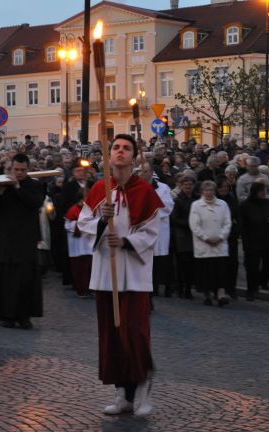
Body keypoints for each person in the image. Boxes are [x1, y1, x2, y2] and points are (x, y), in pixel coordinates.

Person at [77, 134, 163, 417]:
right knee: (112, 336)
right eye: (116, 148)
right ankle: (121, 394)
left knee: (134, 334)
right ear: (108, 155)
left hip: (134, 275)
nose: (120, 152)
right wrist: (102, 220)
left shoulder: (145, 191)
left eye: (126, 148)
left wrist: (126, 241)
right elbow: (83, 222)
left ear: (135, 157)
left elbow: (151, 232)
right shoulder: (101, 188)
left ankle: (141, 387)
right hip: (106, 274)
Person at [0, 153, 44, 329]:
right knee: (7, 280)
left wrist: (18, 187)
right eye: (16, 170)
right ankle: (8, 315)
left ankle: (24, 316)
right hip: (6, 241)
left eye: (22, 170)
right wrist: (0, 192)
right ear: (10, 169)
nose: (19, 173)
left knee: (26, 281)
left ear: (28, 170)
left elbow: (35, 203)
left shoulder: (35, 185)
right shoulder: (1, 186)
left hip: (26, 241)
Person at [189, 180, 232, 307]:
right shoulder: (196, 205)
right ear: (202, 192)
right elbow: (194, 225)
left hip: (220, 244)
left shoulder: (223, 204)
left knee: (221, 271)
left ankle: (221, 294)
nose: (209, 192)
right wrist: (205, 238)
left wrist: (221, 237)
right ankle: (206, 294)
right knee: (206, 271)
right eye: (206, 190)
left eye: (211, 190)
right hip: (203, 244)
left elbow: (227, 223)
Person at [239, 181, 269, 301]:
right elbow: (242, 225)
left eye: (265, 190)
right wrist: (245, 242)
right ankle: (251, 290)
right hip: (251, 241)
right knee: (252, 267)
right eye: (261, 190)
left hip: (267, 239)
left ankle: (263, 281)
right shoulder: (245, 205)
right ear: (255, 191)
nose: (264, 193)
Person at [138, 162, 174, 298]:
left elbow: (167, 206)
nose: (143, 174)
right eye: (141, 171)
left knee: (157, 264)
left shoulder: (163, 188)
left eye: (146, 171)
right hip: (141, 231)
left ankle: (153, 291)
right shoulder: (135, 187)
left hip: (158, 230)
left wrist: (150, 209)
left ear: (151, 172)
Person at [170, 175, 199, 299]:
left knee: (191, 265)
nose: (188, 187)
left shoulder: (197, 199)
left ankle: (188, 288)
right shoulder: (177, 201)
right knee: (181, 265)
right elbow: (174, 219)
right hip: (182, 237)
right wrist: (190, 223)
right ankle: (180, 288)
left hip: (195, 236)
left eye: (190, 185)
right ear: (181, 186)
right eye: (185, 185)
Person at [64, 191, 92, 298]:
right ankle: (81, 290)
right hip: (77, 245)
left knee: (88, 268)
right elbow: (67, 226)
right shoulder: (73, 210)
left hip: (87, 245)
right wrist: (80, 224)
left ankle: (88, 289)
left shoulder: (89, 209)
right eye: (83, 199)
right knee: (79, 269)